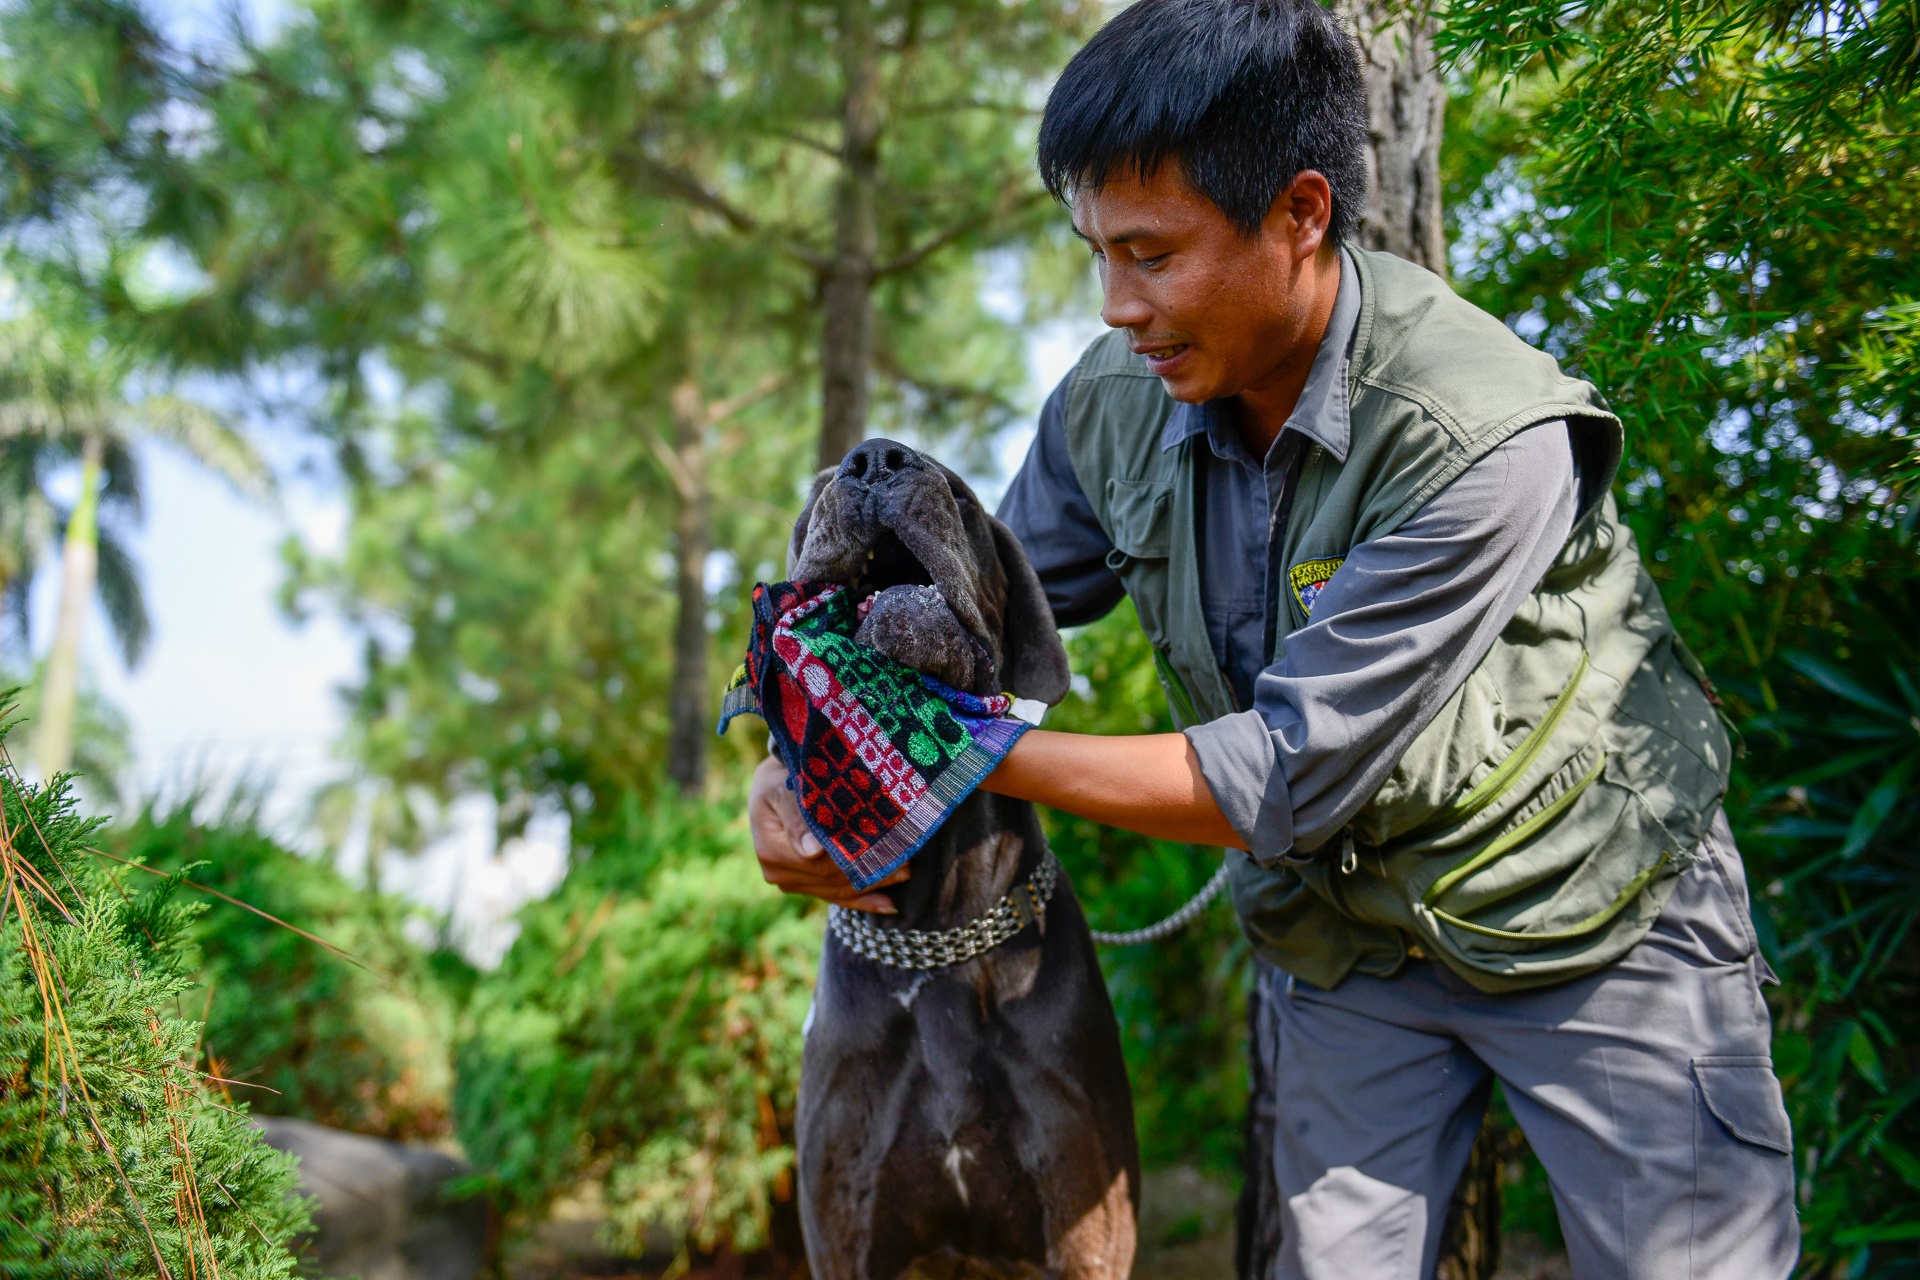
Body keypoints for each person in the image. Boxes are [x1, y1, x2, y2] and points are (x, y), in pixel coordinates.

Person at [750, 0, 1801, 1275]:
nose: (1117, 305)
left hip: (1593, 912)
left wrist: (939, 757)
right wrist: (797, 758)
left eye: (1151, 253)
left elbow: (1279, 769)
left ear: (1302, 213)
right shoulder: (1110, 408)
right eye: (1095, 252)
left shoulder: (1484, 437)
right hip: (1349, 942)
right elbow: (977, 617)